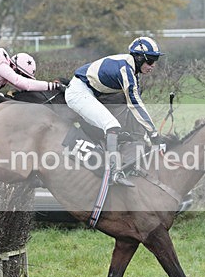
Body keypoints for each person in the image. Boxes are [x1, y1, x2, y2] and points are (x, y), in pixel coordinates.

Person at [65, 36, 164, 187]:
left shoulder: (130, 69)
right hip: (79, 93)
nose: (153, 65)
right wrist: (154, 135)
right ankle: (114, 172)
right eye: (150, 60)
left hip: (88, 92)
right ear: (138, 58)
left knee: (117, 128)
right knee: (112, 126)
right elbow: (135, 105)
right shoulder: (126, 70)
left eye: (155, 61)